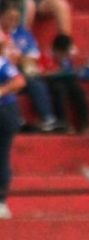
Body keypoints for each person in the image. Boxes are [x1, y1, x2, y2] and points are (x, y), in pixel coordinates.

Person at [0, 0, 57, 131]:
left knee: (40, 82)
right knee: (29, 82)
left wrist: (21, 59)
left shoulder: (21, 33)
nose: (12, 22)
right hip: (4, 75)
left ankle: (47, 119)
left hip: (19, 73)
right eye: (9, 18)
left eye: (16, 19)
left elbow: (32, 57)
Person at [42, 33, 89, 134]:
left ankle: (85, 124)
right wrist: (57, 72)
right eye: (63, 53)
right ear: (56, 50)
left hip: (66, 81)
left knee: (78, 90)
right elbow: (42, 74)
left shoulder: (66, 59)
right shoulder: (44, 57)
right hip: (50, 83)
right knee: (59, 90)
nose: (65, 56)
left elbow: (69, 70)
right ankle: (63, 124)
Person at [0, 50, 24, 218]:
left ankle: (1, 202)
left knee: (1, 155)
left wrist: (1, 91)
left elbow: (18, 81)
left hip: (4, 111)